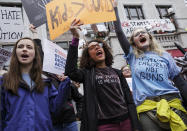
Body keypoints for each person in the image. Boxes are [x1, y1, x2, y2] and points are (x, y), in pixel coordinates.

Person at [113, 0, 187, 131]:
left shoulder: (165, 56)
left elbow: (180, 82)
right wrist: (114, 9)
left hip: (172, 101)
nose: (140, 34)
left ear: (149, 37)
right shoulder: (132, 56)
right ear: (134, 43)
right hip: (146, 106)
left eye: (143, 32)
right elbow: (119, 32)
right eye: (136, 34)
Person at [65, 19, 142, 131]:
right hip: (105, 125)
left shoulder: (117, 73)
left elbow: (129, 100)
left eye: (99, 45)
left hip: (126, 121)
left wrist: (135, 124)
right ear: (88, 56)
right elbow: (70, 71)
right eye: (92, 48)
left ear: (104, 50)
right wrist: (75, 38)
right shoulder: (87, 74)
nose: (97, 47)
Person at [0, 37, 70, 131]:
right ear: (15, 53)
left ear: (35, 54)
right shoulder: (4, 81)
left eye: (29, 47)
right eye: (20, 46)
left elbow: (55, 110)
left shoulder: (46, 83)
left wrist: (64, 85)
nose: (24, 49)